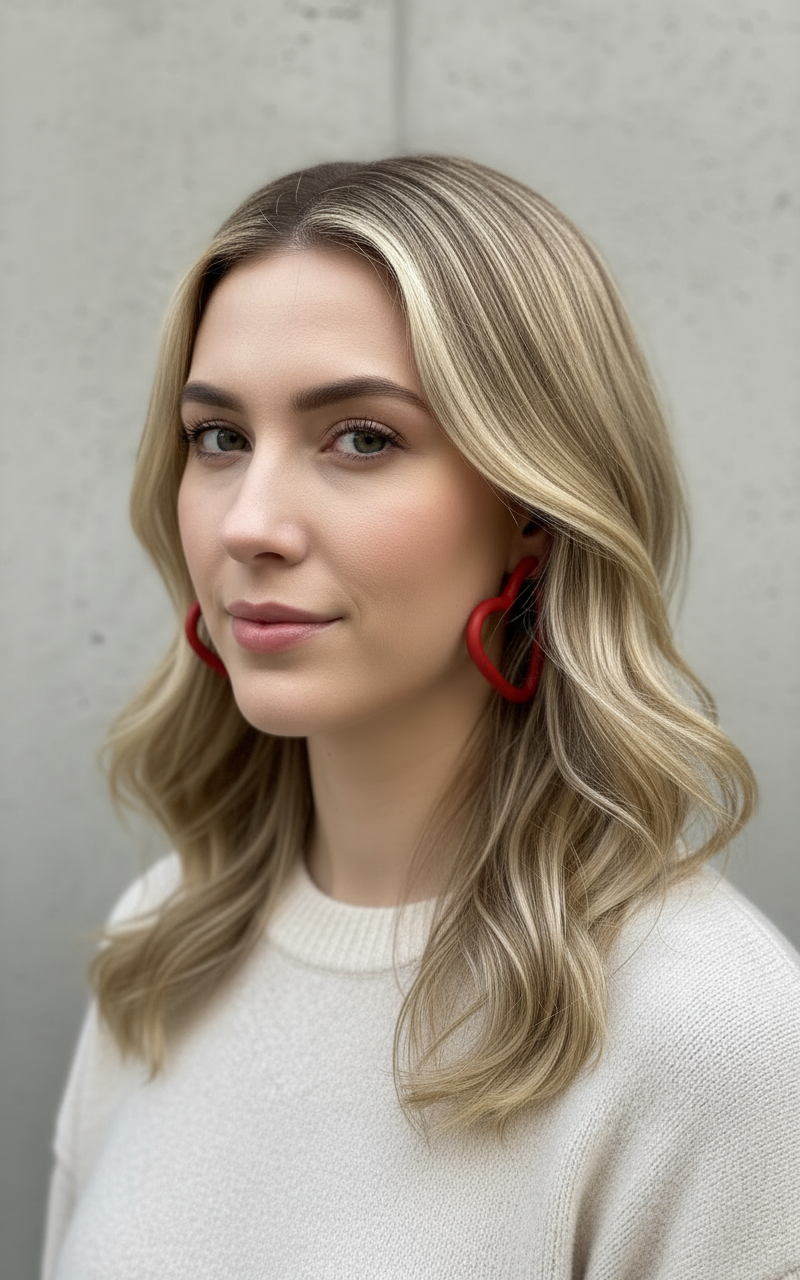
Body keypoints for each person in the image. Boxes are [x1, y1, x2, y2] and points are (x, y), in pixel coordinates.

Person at [42, 156, 800, 1280]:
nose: (250, 522)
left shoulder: (706, 1033)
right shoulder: (166, 945)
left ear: (534, 512)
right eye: (218, 437)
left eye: (360, 437)